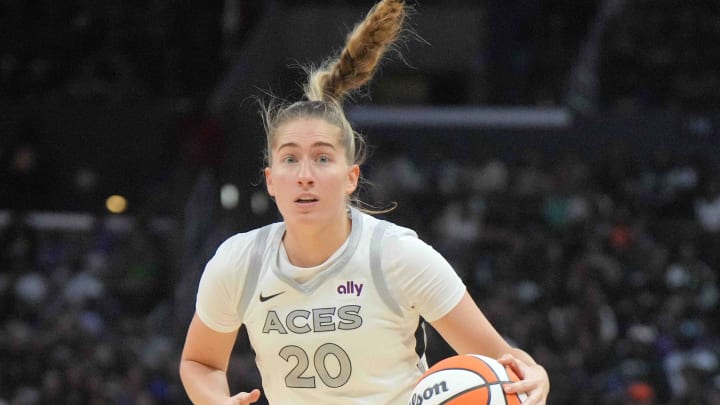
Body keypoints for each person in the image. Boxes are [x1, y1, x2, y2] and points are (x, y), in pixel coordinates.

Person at [179, 1, 551, 404]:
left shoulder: (396, 255)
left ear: (351, 178)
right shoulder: (239, 262)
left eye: (322, 157)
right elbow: (200, 362)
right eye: (289, 158)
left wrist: (537, 377)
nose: (305, 173)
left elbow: (503, 359)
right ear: (271, 181)